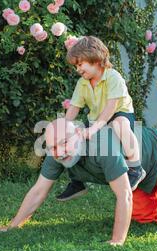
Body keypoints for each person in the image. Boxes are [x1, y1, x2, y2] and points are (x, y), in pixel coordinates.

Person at [0, 118, 157, 246]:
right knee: (147, 217)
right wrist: (13, 226)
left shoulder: (103, 146)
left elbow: (124, 195)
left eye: (64, 143)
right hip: (137, 173)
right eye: (53, 146)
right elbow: (38, 190)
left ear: (78, 134)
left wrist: (117, 240)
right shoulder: (58, 152)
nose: (58, 151)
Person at [57, 36, 146, 202]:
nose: (78, 69)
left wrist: (93, 129)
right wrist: (65, 128)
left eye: (80, 64)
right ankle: (76, 181)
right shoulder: (82, 83)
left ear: (95, 59)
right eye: (76, 66)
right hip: (96, 116)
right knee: (73, 135)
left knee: (120, 125)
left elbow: (111, 107)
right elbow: (74, 108)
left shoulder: (113, 77)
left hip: (119, 112)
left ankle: (136, 167)